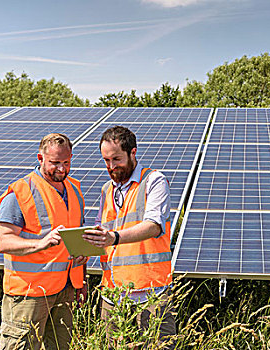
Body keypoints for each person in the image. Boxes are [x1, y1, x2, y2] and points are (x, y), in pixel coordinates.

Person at [82, 126, 176, 348]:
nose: (111, 166)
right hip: (113, 295)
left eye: (117, 159)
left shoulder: (154, 181)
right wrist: (85, 249)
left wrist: (113, 237)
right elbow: (101, 231)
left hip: (150, 294)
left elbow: (153, 226)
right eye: (106, 160)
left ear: (133, 153)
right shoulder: (107, 189)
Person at [0, 133, 87, 350]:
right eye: (55, 163)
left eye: (66, 162)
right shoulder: (21, 192)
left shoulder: (74, 190)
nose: (62, 169)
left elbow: (76, 239)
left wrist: (81, 281)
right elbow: (3, 241)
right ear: (40, 158)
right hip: (29, 294)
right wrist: (40, 243)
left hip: (65, 290)